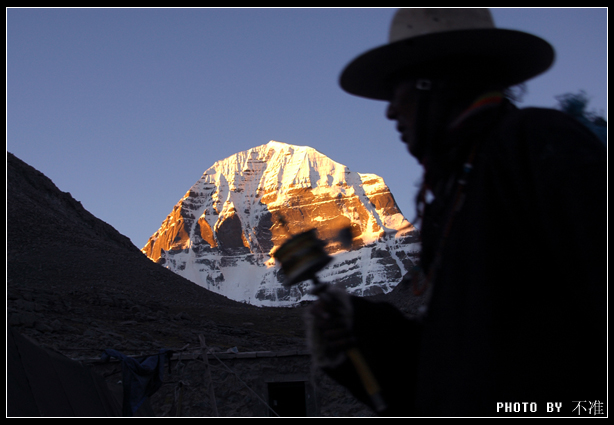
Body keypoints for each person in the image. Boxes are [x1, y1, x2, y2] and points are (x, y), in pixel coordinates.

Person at [307, 8, 606, 417]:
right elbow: (455, 373)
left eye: (398, 89)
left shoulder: (537, 145)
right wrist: (363, 332)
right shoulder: (453, 193)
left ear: (438, 81)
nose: (390, 111)